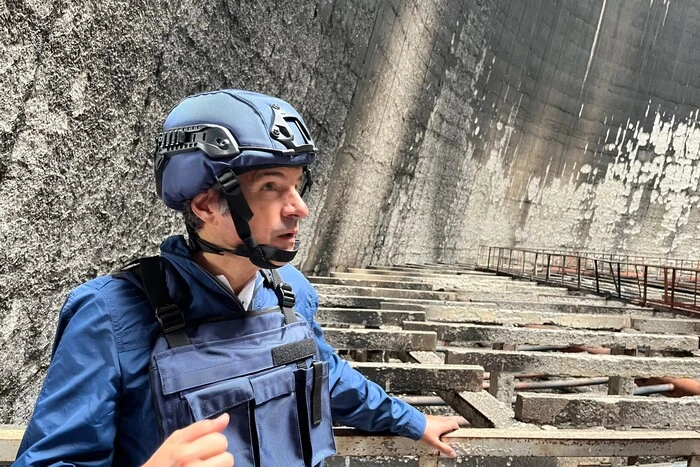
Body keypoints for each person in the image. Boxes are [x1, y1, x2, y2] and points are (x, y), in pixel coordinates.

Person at [15, 89, 461, 466]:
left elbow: (327, 376)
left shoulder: (291, 293)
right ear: (206, 205)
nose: (299, 208)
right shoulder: (110, 316)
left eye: (296, 185)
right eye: (271, 187)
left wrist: (414, 421)